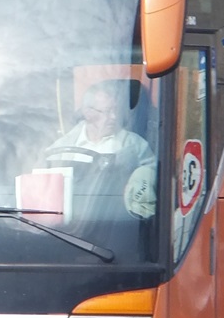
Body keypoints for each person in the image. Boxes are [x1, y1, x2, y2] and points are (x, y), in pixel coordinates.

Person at [45, 80, 156, 218]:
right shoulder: (61, 147)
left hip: (114, 220)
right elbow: (43, 178)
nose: (114, 117)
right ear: (88, 113)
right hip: (69, 223)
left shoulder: (134, 145)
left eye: (116, 110)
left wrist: (140, 179)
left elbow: (153, 171)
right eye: (108, 111)